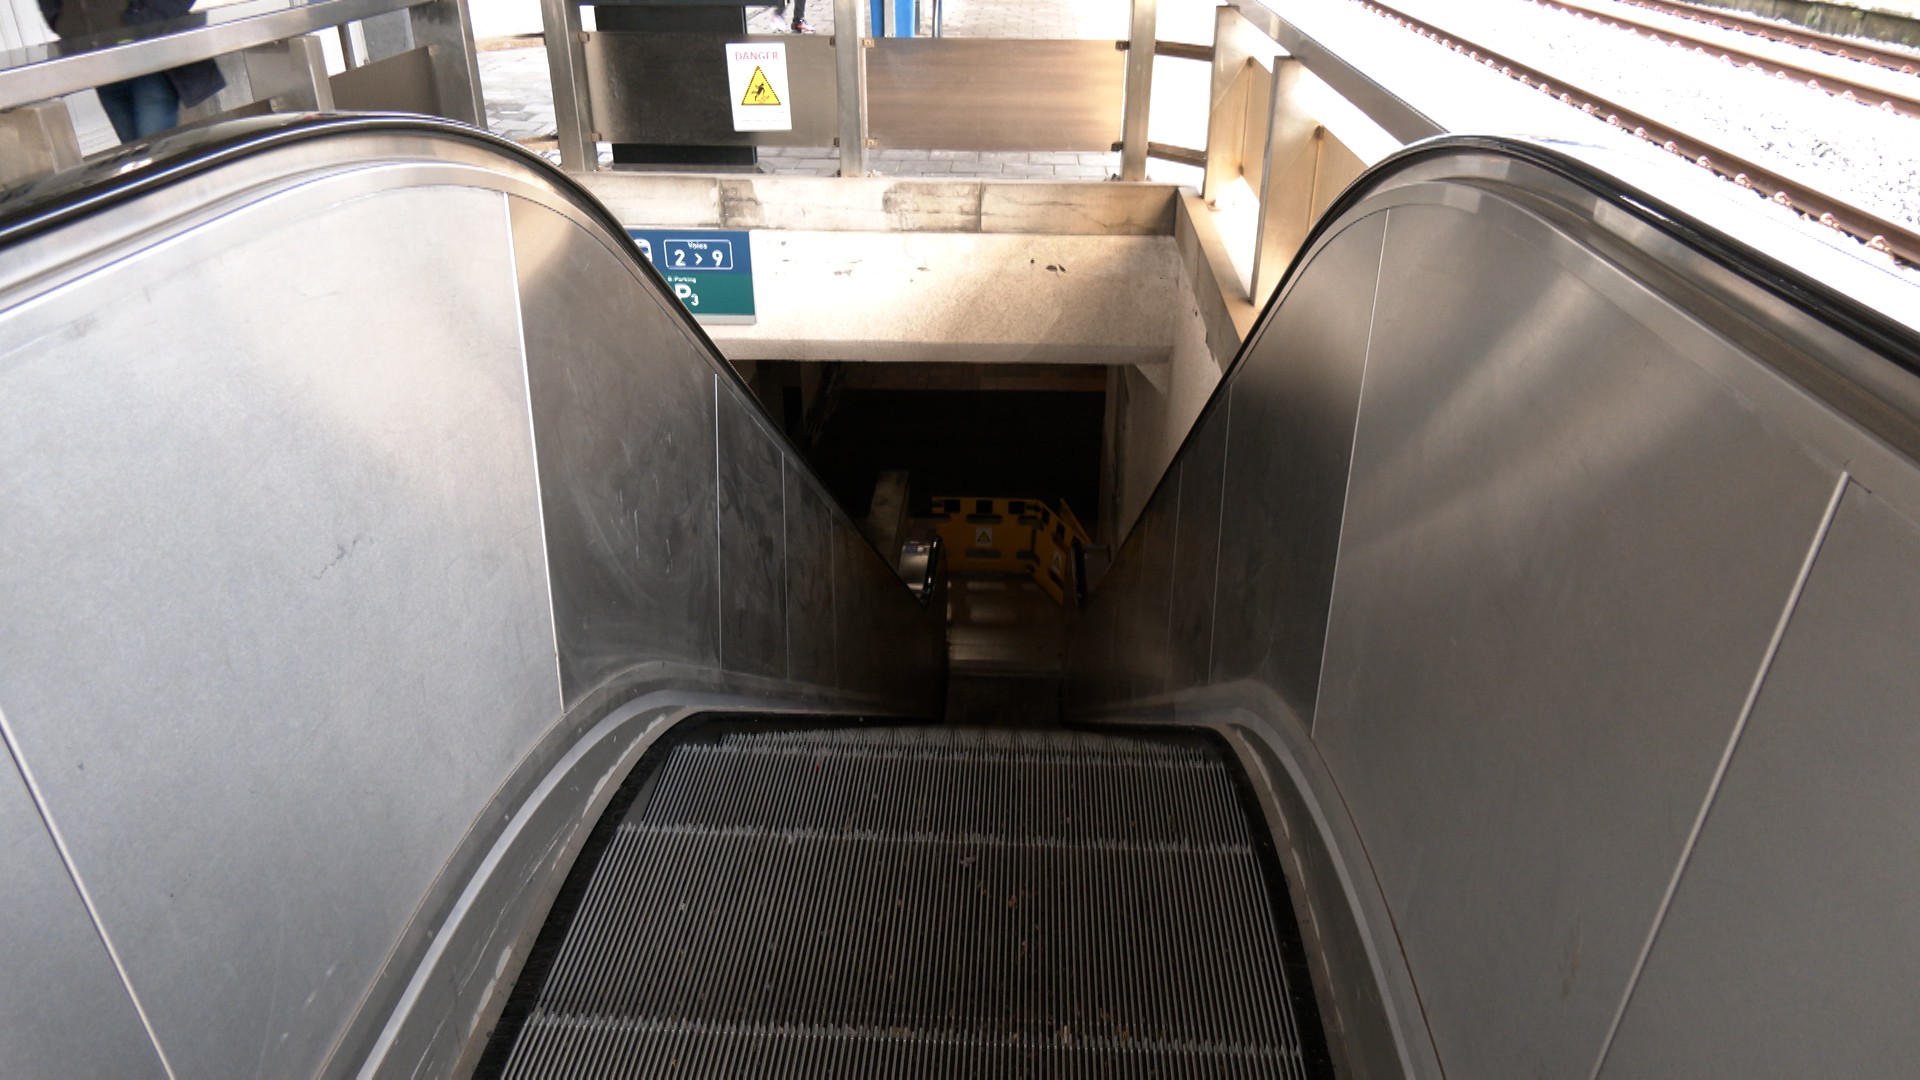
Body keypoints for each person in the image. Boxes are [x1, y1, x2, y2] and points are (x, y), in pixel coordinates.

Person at [39, 0, 225, 143]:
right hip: (101, 62)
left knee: (155, 150)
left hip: (151, 57)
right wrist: (62, 22)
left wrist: (148, 20)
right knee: (136, 153)